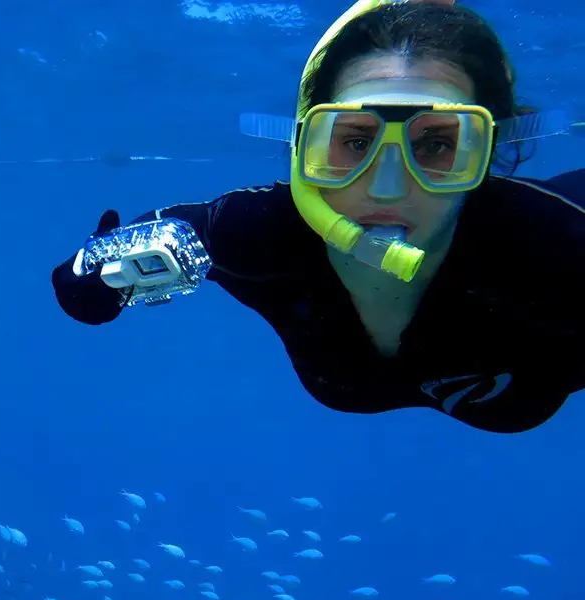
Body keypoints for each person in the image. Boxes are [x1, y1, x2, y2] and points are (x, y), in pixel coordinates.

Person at [51, 0, 585, 434]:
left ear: (488, 154)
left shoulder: (558, 247)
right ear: (305, 146)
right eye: (355, 141)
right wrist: (93, 282)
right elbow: (85, 273)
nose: (388, 184)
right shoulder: (259, 232)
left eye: (438, 146)